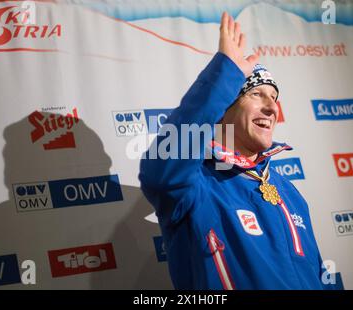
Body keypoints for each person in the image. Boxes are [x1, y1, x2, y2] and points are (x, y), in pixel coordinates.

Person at [139, 12, 325, 289]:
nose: (272, 107)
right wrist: (225, 75)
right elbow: (160, 172)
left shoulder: (288, 191)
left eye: (274, 97)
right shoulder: (195, 186)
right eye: (256, 94)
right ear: (224, 109)